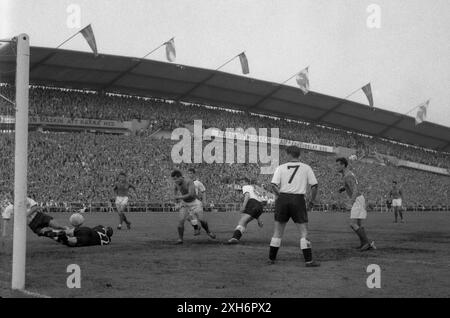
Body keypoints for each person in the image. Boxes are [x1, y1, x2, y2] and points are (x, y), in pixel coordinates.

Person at [268, 146, 320, 267]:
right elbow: (314, 186)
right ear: (298, 155)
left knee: (277, 232)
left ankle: (271, 259)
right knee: (303, 232)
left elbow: (273, 185)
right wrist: (311, 201)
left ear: (289, 154)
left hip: (283, 198)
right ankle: (308, 261)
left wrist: (280, 196)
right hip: (298, 199)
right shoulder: (306, 168)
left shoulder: (280, 168)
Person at [336, 157, 376, 251]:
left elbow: (355, 189)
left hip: (357, 199)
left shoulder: (347, 175)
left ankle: (366, 243)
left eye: (338, 165)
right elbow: (352, 185)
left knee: (352, 224)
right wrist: (343, 188)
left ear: (343, 165)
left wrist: (351, 202)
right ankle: (364, 244)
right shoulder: (347, 174)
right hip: (359, 199)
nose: (336, 167)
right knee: (358, 224)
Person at [227, 177, 265, 244]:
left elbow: (247, 196)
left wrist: (243, 207)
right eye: (240, 182)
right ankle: (236, 238)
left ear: (246, 182)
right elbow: (257, 206)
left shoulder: (246, 187)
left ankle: (235, 238)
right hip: (260, 206)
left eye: (242, 182)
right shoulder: (253, 188)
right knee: (245, 222)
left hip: (253, 203)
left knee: (242, 221)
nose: (241, 184)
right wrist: (259, 220)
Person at [171, 169, 203, 244]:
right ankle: (181, 239)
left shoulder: (192, 182)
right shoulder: (177, 183)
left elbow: (194, 193)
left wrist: (203, 200)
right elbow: (175, 190)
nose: (175, 181)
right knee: (184, 219)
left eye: (191, 173)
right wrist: (176, 200)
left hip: (194, 201)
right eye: (173, 179)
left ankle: (199, 228)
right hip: (185, 202)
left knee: (196, 218)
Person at [187, 168, 216, 239]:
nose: (189, 174)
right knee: (188, 218)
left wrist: (204, 201)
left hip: (197, 203)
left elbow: (203, 191)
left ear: (194, 174)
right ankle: (197, 228)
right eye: (189, 173)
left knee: (201, 219)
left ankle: (208, 232)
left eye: (191, 173)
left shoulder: (197, 182)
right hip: (189, 203)